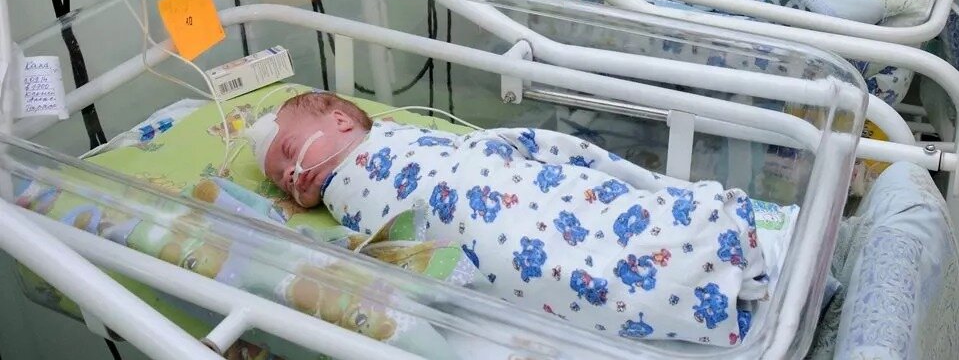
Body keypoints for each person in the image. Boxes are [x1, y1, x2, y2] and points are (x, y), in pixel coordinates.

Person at [248, 91, 767, 344]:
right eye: (281, 179)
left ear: (341, 120)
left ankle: (704, 236)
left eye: (289, 152)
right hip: (480, 240)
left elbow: (476, 153)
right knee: (556, 271)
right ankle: (696, 286)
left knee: (590, 209)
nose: (291, 175)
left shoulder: (394, 139)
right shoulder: (340, 205)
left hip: (496, 187)